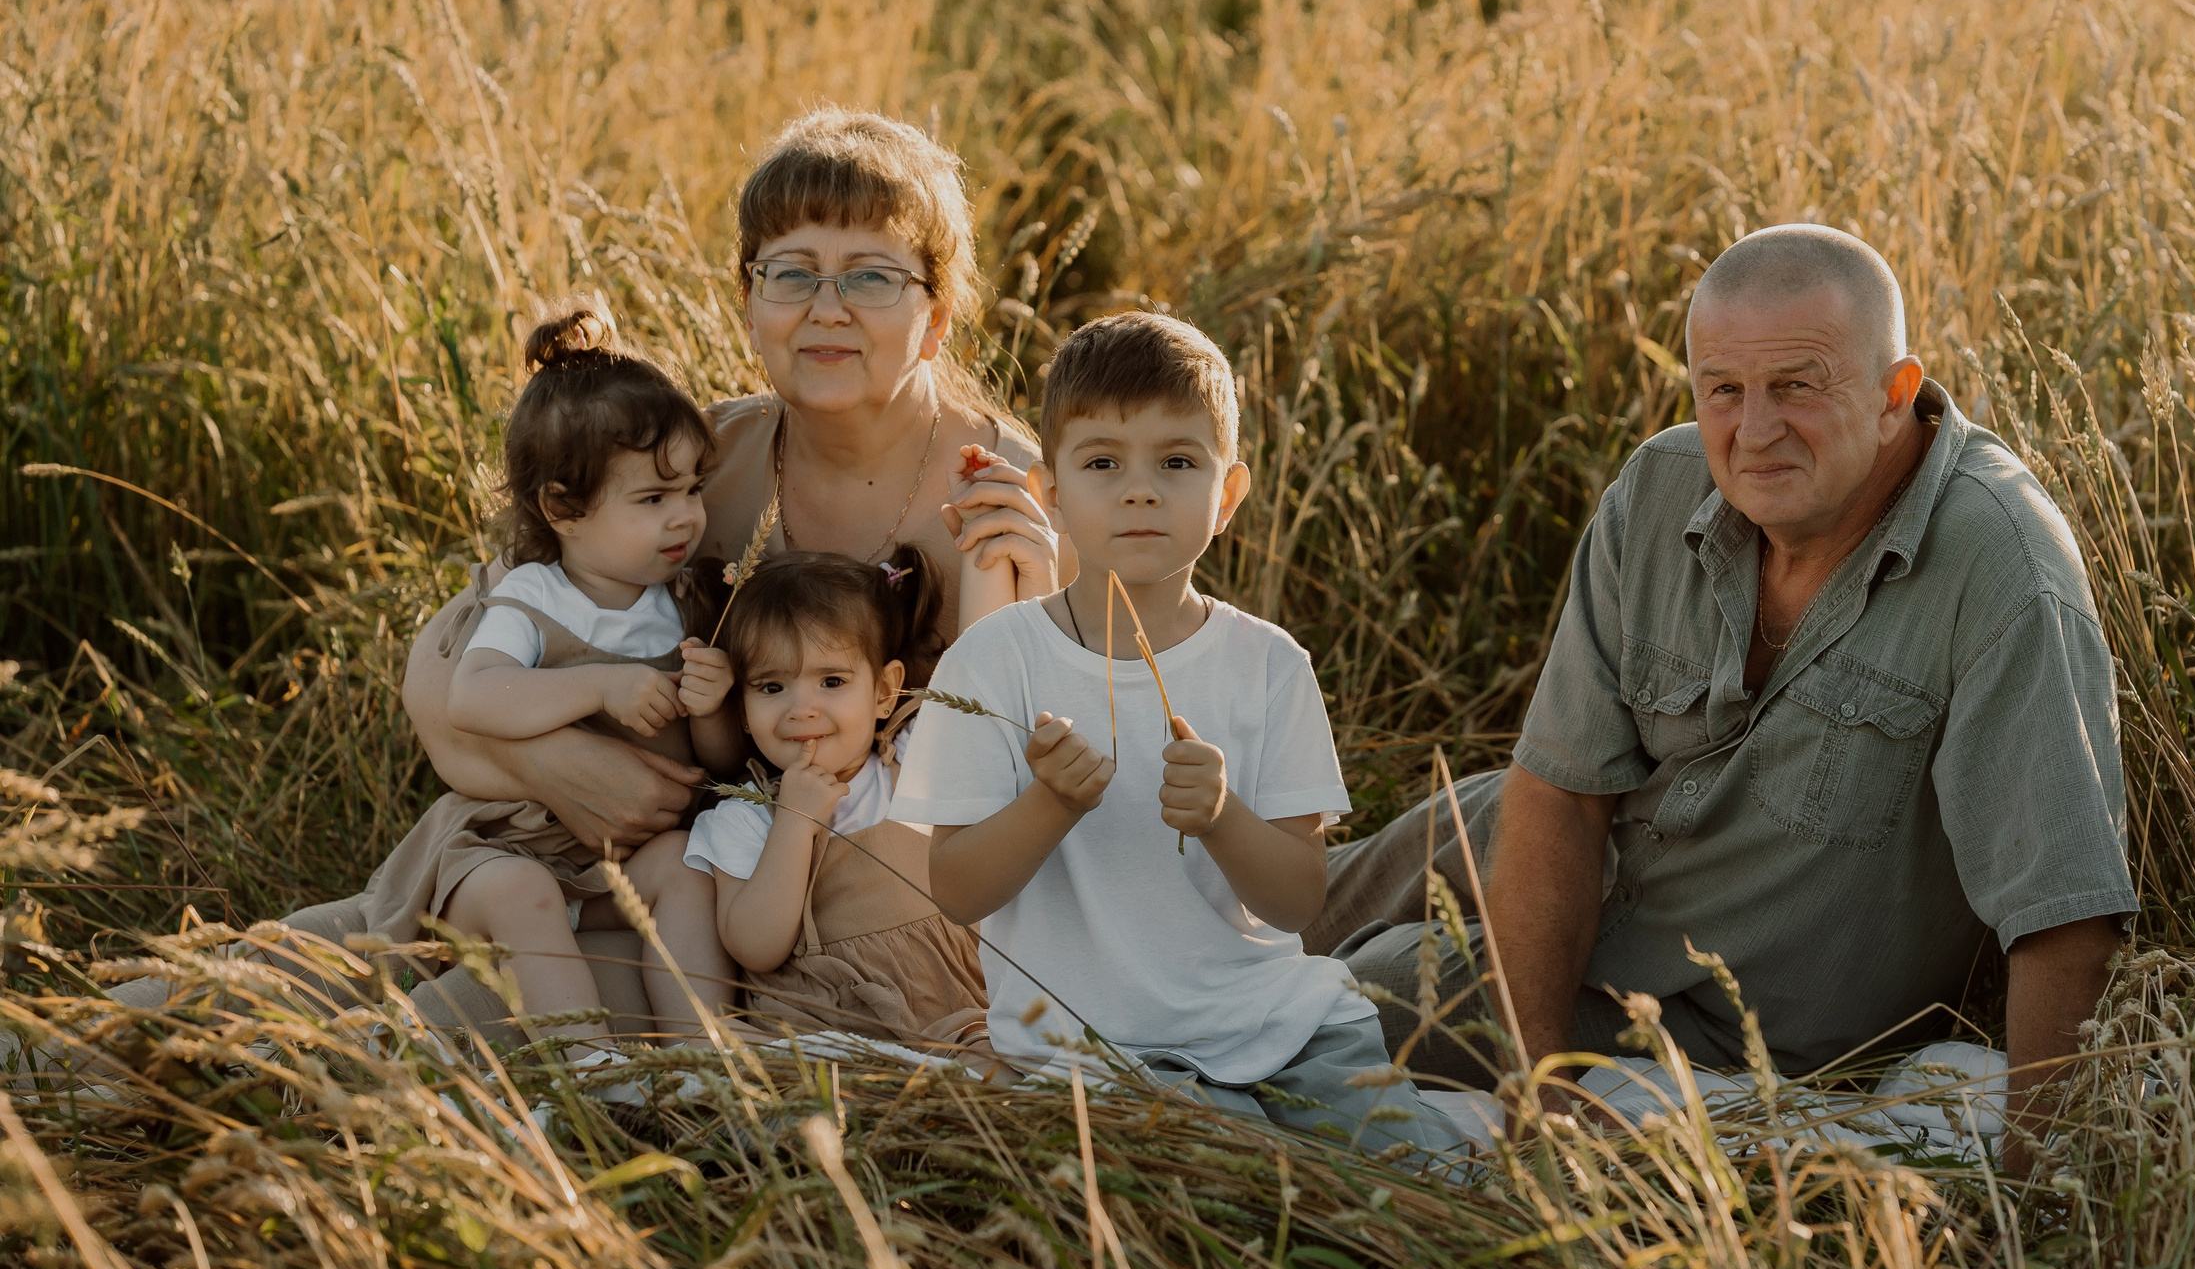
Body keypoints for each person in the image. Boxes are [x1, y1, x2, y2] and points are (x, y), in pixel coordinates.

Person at [1309, 224, 2136, 1169]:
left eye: (1797, 385)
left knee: (1348, 1000)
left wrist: (2037, 1194)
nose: (1755, 429)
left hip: (1696, 993)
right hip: (1606, 848)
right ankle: (1158, 933)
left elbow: (2064, 911)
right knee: (1375, 862)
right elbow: (1561, 793)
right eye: (1724, 391)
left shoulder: (2002, 569)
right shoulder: (1659, 488)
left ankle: (1179, 1026)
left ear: (1892, 394)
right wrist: (1539, 1095)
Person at [402, 106, 1061, 861]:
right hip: (689, 877)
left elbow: (1075, 760)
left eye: (871, 277)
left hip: (908, 910)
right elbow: (438, 665)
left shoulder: (1012, 498)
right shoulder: (697, 469)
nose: (826, 309)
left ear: (937, 316)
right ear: (749, 304)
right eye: (790, 274)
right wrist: (557, 766)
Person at [890, 313, 1469, 1158]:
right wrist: (1050, 803)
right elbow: (956, 889)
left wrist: (1225, 815)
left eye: (1176, 462)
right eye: (1102, 463)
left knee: (1429, 1178)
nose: (1139, 490)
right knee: (1243, 1188)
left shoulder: (1269, 665)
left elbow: (1299, 899)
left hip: (1283, 1024)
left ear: (1226, 495)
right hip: (1095, 1054)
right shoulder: (994, 664)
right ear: (1049, 493)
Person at [351, 311, 737, 1071]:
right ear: (562, 508)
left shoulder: (685, 601)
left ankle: (708, 1054)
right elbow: (473, 698)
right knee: (526, 892)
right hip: (499, 853)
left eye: (693, 488)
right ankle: (590, 1068)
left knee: (685, 868)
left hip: (607, 866)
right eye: (653, 498)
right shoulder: (533, 597)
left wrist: (713, 701)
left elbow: (716, 762)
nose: (686, 515)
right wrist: (600, 683)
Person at [654, 548, 988, 1055]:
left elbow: (984, 693)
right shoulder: (744, 818)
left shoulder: (911, 761)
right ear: (743, 711)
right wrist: (793, 821)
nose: (801, 709)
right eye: (772, 686)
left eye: (831, 682)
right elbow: (756, 947)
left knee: (1000, 1062)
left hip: (952, 1018)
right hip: (824, 1042)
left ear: (884, 691)